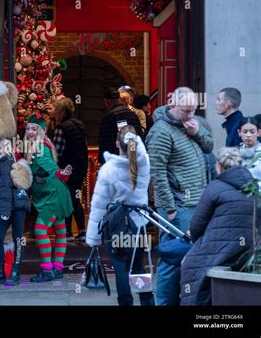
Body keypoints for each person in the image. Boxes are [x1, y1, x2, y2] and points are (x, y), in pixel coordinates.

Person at [145, 86, 214, 306]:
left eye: (193, 110)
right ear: (172, 105)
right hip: (178, 205)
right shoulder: (161, 131)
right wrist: (170, 208)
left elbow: (209, 146)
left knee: (189, 256)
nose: (190, 115)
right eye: (186, 110)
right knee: (172, 257)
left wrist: (197, 132)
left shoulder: (191, 124)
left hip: (196, 201)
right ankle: (164, 302)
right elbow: (158, 173)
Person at [87, 125, 155, 306]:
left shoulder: (108, 170)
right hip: (138, 224)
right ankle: (147, 301)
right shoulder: (144, 163)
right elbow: (138, 151)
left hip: (116, 226)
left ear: (117, 142)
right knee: (139, 267)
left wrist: (93, 238)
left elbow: (99, 207)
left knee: (121, 269)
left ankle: (126, 303)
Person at [180, 147, 256, 305]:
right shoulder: (254, 188)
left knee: (188, 266)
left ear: (219, 166)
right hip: (247, 251)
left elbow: (196, 226)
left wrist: (198, 244)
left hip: (217, 250)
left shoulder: (215, 187)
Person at [23, 114, 73, 282]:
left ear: (41, 131)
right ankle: (58, 268)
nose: (30, 132)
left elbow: (51, 168)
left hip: (52, 195)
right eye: (28, 128)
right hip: (54, 193)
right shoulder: (39, 145)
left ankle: (47, 270)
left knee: (40, 229)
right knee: (60, 231)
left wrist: (61, 173)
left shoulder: (40, 148)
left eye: (34, 129)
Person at [0, 139, 31, 286]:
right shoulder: (2, 165)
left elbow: (4, 192)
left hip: (16, 207)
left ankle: (15, 272)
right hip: (10, 206)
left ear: (6, 150)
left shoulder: (6, 165)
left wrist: (3, 214)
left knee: (17, 238)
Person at [51, 98, 88, 242]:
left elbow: (57, 151)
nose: (53, 113)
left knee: (65, 198)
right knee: (75, 197)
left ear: (61, 112)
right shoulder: (79, 124)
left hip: (66, 168)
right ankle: (82, 230)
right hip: (80, 166)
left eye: (55, 110)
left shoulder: (62, 128)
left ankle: (66, 232)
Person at [98, 88, 142, 164]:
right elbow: (140, 137)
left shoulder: (108, 116)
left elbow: (104, 142)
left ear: (106, 101)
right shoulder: (133, 114)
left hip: (115, 161)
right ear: (118, 99)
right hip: (132, 159)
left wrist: (103, 160)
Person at [237, 117, 261, 186]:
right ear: (239, 132)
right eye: (245, 132)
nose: (248, 135)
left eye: (252, 131)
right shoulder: (235, 154)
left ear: (258, 132)